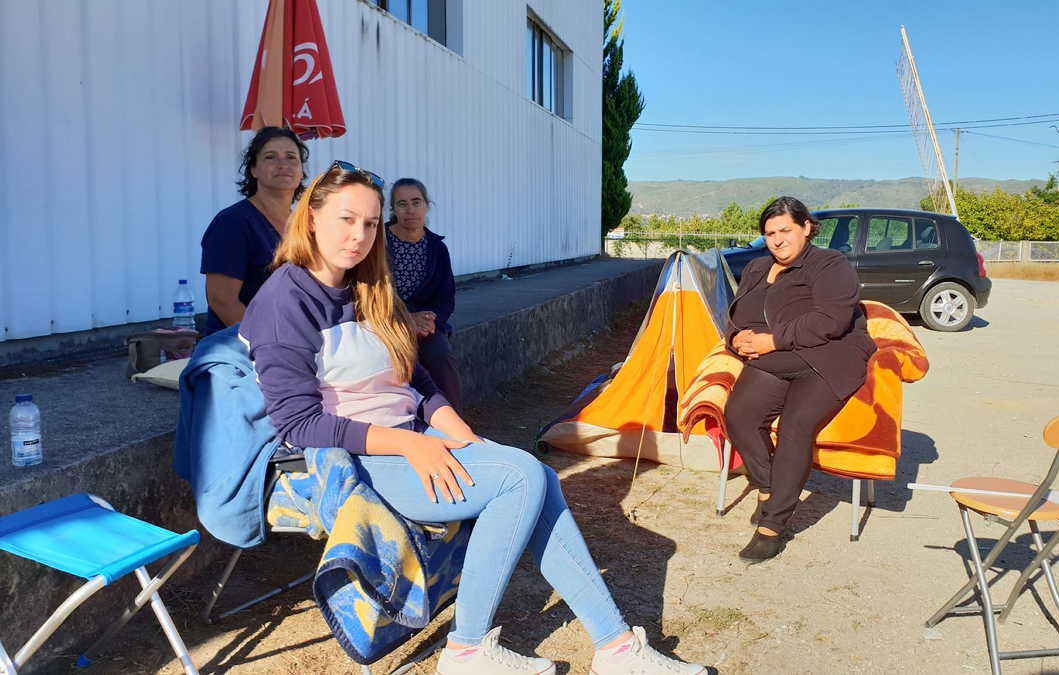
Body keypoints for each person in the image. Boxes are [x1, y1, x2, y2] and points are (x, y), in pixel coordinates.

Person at [239, 162, 704, 675]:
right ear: (311, 219)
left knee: (535, 475)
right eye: (347, 219)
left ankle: (615, 647)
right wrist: (411, 446)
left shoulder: (370, 287)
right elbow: (297, 425)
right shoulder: (285, 299)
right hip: (356, 459)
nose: (359, 236)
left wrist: (463, 436)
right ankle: (467, 650)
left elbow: (417, 384)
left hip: (413, 436)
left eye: (371, 224)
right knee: (522, 477)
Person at [722, 196, 876, 563]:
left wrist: (772, 340)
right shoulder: (758, 268)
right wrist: (735, 339)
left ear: (806, 227)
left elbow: (831, 320)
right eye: (770, 233)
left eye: (785, 230)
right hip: (779, 358)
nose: (777, 239)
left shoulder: (829, 265)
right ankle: (768, 487)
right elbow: (737, 313)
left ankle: (773, 526)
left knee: (795, 425)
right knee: (740, 414)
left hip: (829, 357)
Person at [200, 127, 308, 335]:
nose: (282, 164)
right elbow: (222, 300)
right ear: (253, 170)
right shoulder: (232, 223)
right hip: (242, 351)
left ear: (301, 171)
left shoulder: (305, 224)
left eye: (291, 157)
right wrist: (267, 345)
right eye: (270, 157)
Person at [385, 178, 463, 409]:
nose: (410, 210)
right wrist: (403, 321)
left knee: (440, 356)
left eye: (416, 202)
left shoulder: (437, 248)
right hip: (386, 320)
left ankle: (456, 427)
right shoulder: (379, 242)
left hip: (425, 325)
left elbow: (446, 298)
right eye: (402, 204)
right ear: (393, 209)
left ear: (427, 205)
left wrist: (429, 322)